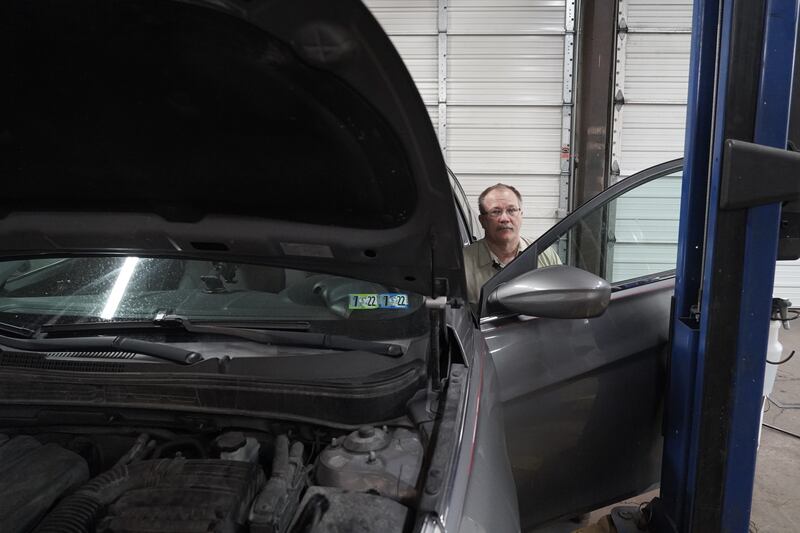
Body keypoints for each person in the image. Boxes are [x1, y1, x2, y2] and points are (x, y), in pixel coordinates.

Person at [463, 183, 561, 308]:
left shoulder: (545, 255)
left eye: (511, 210)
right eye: (495, 212)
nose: (504, 218)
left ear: (521, 215)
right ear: (483, 221)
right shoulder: (463, 265)